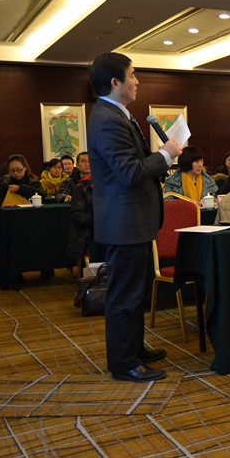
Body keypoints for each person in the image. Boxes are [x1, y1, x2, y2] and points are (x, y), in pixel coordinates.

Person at [87, 52, 182, 383]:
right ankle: (124, 362)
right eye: (133, 75)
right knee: (124, 296)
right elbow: (128, 173)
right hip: (125, 223)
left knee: (134, 292)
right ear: (116, 82)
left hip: (133, 221)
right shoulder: (108, 119)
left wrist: (161, 158)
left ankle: (133, 348)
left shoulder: (117, 114)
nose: (138, 81)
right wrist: (165, 155)